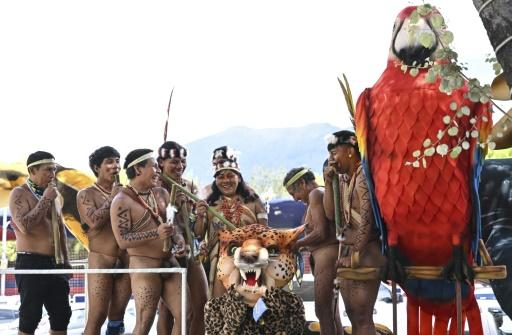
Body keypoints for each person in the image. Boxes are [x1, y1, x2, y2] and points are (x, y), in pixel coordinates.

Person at [111, 149, 188, 335]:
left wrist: (179, 240)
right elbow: (122, 241)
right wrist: (155, 233)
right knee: (145, 322)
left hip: (170, 263)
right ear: (138, 169)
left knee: (185, 314)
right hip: (144, 267)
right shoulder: (121, 201)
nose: (158, 170)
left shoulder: (161, 193)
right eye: (154, 166)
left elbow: (173, 225)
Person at [323, 130, 386, 335]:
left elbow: (368, 219)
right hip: (348, 252)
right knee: (352, 314)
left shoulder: (363, 176)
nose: (331, 159)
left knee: (362, 315)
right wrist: (328, 183)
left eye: (334, 153)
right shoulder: (341, 179)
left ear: (350, 151)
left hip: (366, 251)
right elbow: (332, 215)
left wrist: (356, 254)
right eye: (329, 155)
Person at [8, 151, 72, 335]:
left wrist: (66, 261)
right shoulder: (19, 193)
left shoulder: (55, 196)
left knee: (62, 314)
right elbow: (25, 226)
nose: (52, 174)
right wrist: (45, 199)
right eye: (48, 170)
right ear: (32, 171)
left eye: (54, 170)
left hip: (56, 263)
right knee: (30, 316)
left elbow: (60, 229)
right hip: (30, 262)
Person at [195, 146, 267, 298]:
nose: (225, 180)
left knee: (249, 309)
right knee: (220, 306)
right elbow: (199, 235)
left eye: (230, 176)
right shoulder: (209, 203)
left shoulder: (253, 200)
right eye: (220, 177)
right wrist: (200, 216)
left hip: (250, 263)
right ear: (215, 180)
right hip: (220, 263)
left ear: (238, 177)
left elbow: (265, 233)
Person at [76, 146, 131, 335]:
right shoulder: (85, 194)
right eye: (109, 161)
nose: (115, 165)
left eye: (117, 161)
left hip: (125, 260)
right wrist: (113, 199)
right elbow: (94, 222)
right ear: (97, 167)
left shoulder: (127, 193)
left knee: (117, 318)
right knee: (97, 316)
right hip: (101, 259)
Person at [283, 167, 343, 335]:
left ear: (302, 183)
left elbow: (321, 232)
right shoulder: (319, 195)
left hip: (327, 256)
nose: (295, 199)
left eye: (293, 193)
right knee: (331, 313)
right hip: (326, 256)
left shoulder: (315, 194)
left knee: (323, 311)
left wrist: (296, 245)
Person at [156, 141, 207, 335]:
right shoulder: (155, 186)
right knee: (168, 312)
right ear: (161, 163)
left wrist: (201, 214)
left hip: (190, 250)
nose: (180, 166)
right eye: (174, 161)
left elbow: (198, 231)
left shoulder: (190, 187)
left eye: (183, 161)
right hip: (166, 254)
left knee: (201, 305)